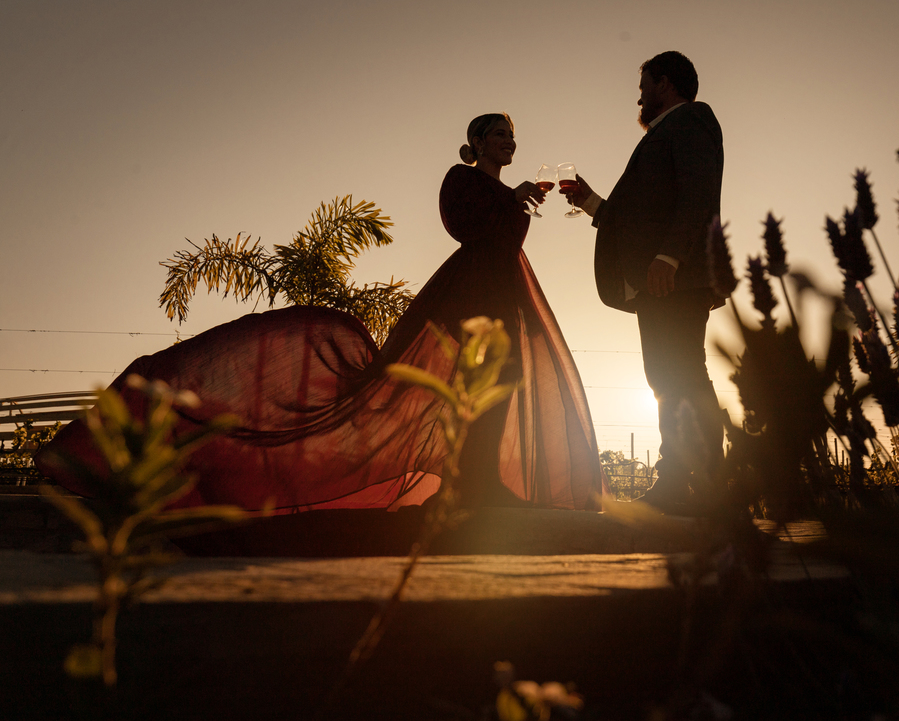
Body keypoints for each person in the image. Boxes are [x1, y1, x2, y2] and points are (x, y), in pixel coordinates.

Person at [36, 113, 606, 513]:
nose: (509, 142)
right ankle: (471, 484)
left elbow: (506, 241)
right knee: (457, 387)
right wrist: (510, 198)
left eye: (513, 135)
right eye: (500, 134)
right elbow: (467, 227)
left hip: (502, 297)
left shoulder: (512, 194)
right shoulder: (460, 180)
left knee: (500, 384)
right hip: (465, 298)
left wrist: (516, 199)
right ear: (478, 142)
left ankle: (482, 484)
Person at [565, 51, 725, 511]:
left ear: (667, 83)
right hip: (656, 280)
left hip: (675, 276)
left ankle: (703, 484)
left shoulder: (692, 120)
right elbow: (633, 212)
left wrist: (669, 257)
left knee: (685, 374)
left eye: (645, 83)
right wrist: (590, 200)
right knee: (665, 376)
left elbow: (699, 191)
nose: (639, 93)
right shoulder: (663, 134)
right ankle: (680, 480)